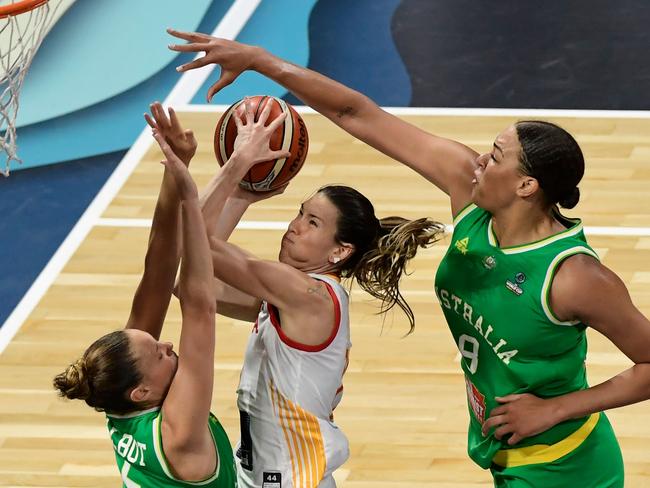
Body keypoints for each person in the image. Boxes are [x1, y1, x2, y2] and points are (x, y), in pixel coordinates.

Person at [167, 29, 650, 487]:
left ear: (527, 186)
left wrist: (555, 409)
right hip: (500, 445)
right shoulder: (469, 191)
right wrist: (259, 60)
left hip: (563, 462)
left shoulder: (574, 277)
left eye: (496, 156)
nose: (480, 159)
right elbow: (357, 114)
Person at [178, 96, 444, 488]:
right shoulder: (286, 301)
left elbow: (196, 242)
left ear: (339, 251)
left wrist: (238, 166)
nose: (295, 225)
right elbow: (186, 283)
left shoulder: (309, 296)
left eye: (313, 222)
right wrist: (242, 195)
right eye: (300, 212)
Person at [52, 101, 284, 487]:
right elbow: (199, 306)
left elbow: (158, 267)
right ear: (142, 390)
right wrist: (220, 177)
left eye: (157, 343)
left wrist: (175, 169)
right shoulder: (178, 435)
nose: (168, 343)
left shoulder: (123, 397)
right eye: (159, 352)